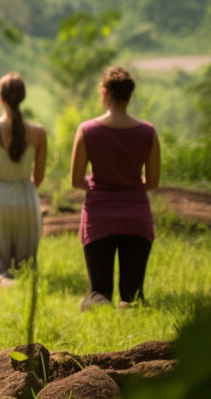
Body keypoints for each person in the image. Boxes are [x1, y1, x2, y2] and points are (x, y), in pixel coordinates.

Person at [71, 66, 160, 310]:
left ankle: (99, 308)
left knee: (98, 294)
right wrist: (128, 184)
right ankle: (128, 309)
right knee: (132, 296)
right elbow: (152, 182)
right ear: (129, 96)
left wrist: (99, 184)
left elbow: (76, 180)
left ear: (104, 93)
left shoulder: (87, 130)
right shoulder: (147, 132)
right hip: (136, 219)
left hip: (99, 219)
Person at [0, 72, 47, 286]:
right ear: (23, 97)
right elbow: (39, 177)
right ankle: (20, 282)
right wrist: (23, 192)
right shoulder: (39, 132)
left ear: (0, 97)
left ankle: (2, 280)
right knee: (25, 267)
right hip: (27, 200)